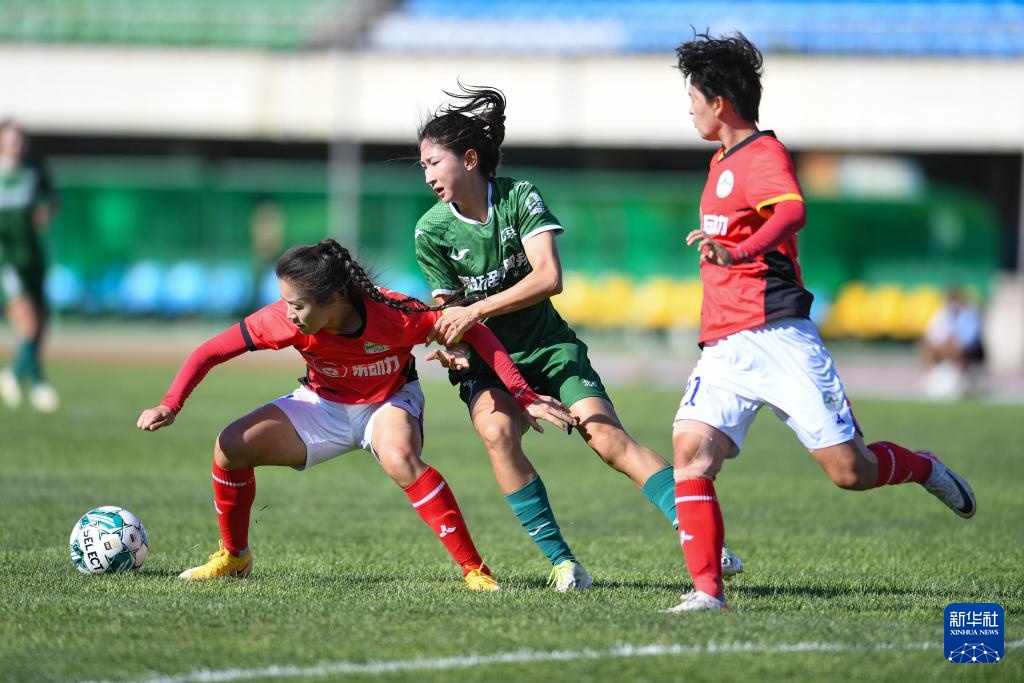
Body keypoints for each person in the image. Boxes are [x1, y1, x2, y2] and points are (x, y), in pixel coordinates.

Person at [667, 31, 977, 612]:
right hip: (726, 345)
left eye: (692, 96)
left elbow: (791, 211)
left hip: (779, 334)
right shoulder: (720, 160)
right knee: (690, 450)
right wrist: (719, 245)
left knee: (849, 472)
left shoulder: (762, 155)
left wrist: (737, 252)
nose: (687, 107)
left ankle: (923, 468)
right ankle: (707, 592)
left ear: (719, 102)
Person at [414, 84, 744, 592]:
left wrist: (474, 310)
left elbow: (549, 277)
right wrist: (457, 347)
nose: (429, 175)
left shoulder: (520, 196)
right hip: (489, 360)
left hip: (549, 347)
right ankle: (564, 564)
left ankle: (701, 536)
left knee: (608, 439)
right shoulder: (430, 231)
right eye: (424, 167)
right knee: (497, 434)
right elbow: (454, 321)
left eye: (435, 162)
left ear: (471, 158)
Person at [136, 238, 577, 591]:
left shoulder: (397, 314)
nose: (289, 313)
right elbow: (210, 351)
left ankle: (475, 571)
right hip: (322, 405)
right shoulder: (284, 320)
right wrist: (169, 404)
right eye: (285, 302)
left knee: (400, 458)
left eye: (298, 305)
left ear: (334, 299)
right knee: (229, 447)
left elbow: (474, 328)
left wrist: (520, 392)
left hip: (388, 402)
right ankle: (235, 558)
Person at [0, 119, 59, 412]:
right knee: (29, 322)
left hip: (33, 256)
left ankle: (33, 380)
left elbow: (54, 196)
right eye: (10, 138)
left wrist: (47, 210)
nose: (16, 144)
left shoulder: (33, 170)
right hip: (7, 260)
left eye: (20, 139)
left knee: (42, 320)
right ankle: (15, 375)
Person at [920, 286, 985, 398]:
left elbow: (970, 338)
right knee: (927, 349)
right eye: (952, 300)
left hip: (967, 349)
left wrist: (954, 341)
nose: (954, 304)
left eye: (956, 300)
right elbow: (933, 333)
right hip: (947, 347)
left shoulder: (969, 315)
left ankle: (958, 384)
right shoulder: (943, 314)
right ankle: (929, 381)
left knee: (956, 350)